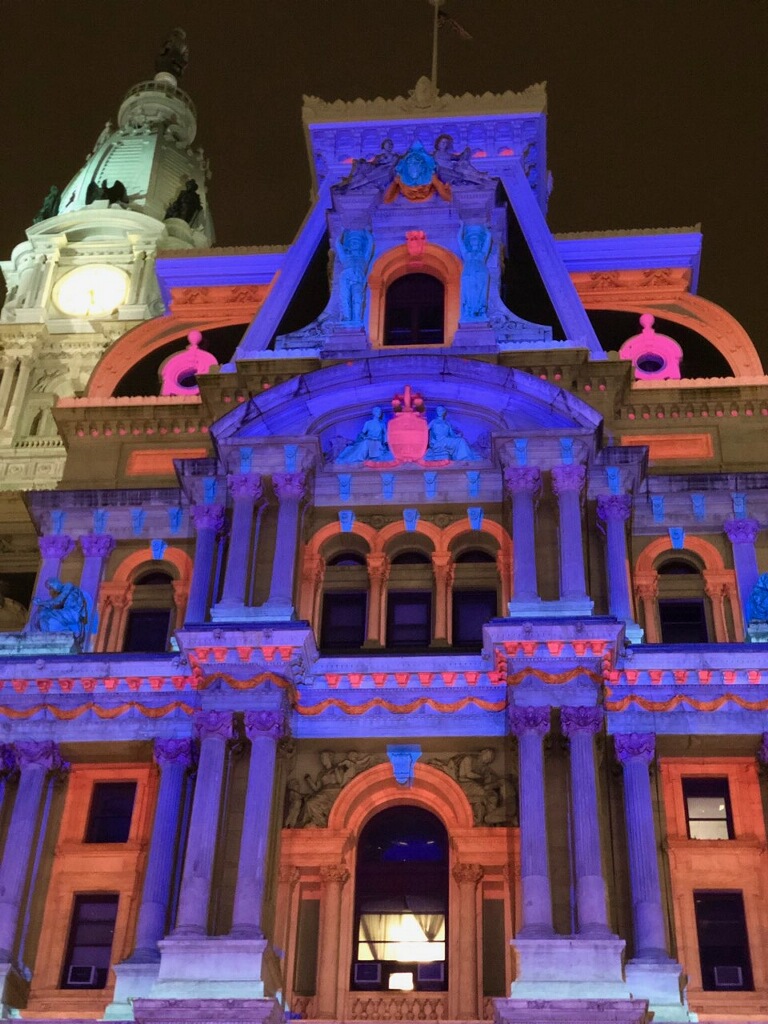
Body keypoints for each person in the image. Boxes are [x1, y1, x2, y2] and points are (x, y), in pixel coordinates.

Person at [30, 577, 89, 650]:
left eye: (51, 588)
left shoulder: (68, 587)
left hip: (71, 614)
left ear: (55, 584)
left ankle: (46, 638)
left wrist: (40, 602)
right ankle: (46, 636)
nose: (52, 591)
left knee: (45, 616)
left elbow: (57, 601)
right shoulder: (68, 590)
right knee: (44, 615)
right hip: (70, 613)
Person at [458, 224, 492, 320]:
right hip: (468, 273)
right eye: (472, 239)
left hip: (481, 273)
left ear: (479, 241)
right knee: (469, 293)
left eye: (476, 238)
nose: (474, 240)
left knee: (480, 293)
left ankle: (481, 312)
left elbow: (488, 239)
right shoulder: (466, 253)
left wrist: (486, 228)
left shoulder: (483, 252)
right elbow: (460, 241)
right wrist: (461, 227)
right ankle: (469, 312)